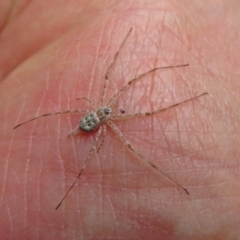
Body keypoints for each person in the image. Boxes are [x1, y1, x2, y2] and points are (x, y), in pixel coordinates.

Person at [0, 1, 239, 239]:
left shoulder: (108, 117)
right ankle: (63, 173)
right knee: (89, 121)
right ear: (102, 110)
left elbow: (130, 92)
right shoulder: (103, 117)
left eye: (108, 110)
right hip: (90, 122)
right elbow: (108, 74)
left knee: (133, 129)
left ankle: (186, 112)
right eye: (106, 110)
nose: (109, 109)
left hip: (94, 122)